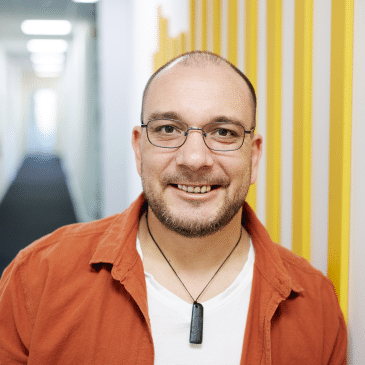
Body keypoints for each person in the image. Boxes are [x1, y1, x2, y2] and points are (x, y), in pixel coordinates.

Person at [0, 51, 346, 364]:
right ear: (139, 149)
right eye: (168, 128)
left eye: (223, 132)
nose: (194, 158)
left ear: (253, 157)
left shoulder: (315, 307)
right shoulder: (38, 278)